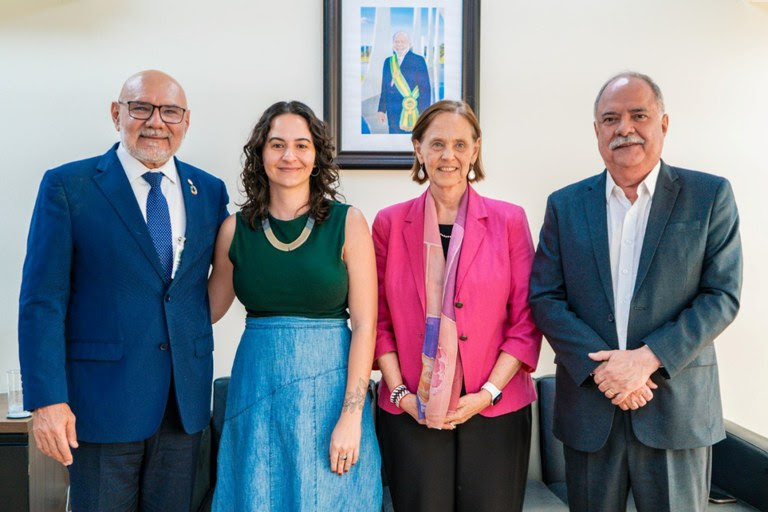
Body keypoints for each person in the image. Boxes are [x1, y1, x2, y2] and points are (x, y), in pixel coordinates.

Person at [529, 72, 742, 512]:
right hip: (591, 407)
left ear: (663, 124)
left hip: (675, 407)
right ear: (596, 132)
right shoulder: (565, 205)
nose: (624, 128)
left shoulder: (709, 195)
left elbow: (722, 295)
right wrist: (607, 372)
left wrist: (647, 359)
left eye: (638, 115)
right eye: (610, 118)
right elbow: (545, 297)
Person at [18, 70, 229, 511]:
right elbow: (42, 302)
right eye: (141, 108)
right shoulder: (68, 187)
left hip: (182, 408)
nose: (156, 121)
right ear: (117, 113)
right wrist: (48, 400)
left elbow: (193, 293)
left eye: (169, 111)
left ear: (186, 122)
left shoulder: (209, 191)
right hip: (99, 406)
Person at [207, 101, 382, 511]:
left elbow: (366, 326)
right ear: (260, 154)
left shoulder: (348, 222)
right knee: (257, 496)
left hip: (333, 397)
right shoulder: (235, 230)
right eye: (277, 145)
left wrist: (352, 416)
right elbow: (207, 310)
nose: (290, 156)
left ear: (317, 156)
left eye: (302, 145)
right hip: (257, 391)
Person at [372, 100, 542, 512]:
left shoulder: (509, 221)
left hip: (494, 409)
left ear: (475, 150)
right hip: (412, 408)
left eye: (460, 144)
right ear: (418, 149)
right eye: (437, 144)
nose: (449, 155)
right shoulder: (389, 224)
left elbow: (526, 322)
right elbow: (377, 322)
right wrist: (402, 395)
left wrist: (486, 393)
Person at [377, 31, 432, 134]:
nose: (399, 45)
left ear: (410, 44)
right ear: (393, 43)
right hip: (392, 111)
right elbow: (384, 88)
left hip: (412, 111)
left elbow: (425, 90)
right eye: (396, 42)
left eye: (403, 42)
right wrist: (381, 110)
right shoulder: (388, 61)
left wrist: (424, 114)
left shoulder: (418, 60)